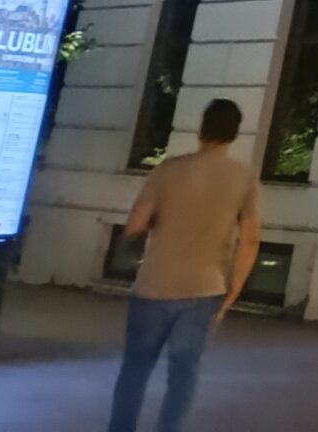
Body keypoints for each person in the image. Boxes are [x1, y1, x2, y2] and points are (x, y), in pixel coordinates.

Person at [108, 97, 260, 432]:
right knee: (183, 373)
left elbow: (136, 224)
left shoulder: (168, 170)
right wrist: (231, 295)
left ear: (200, 130)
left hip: (154, 284)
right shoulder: (244, 178)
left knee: (135, 369)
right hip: (205, 289)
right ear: (234, 134)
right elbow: (250, 240)